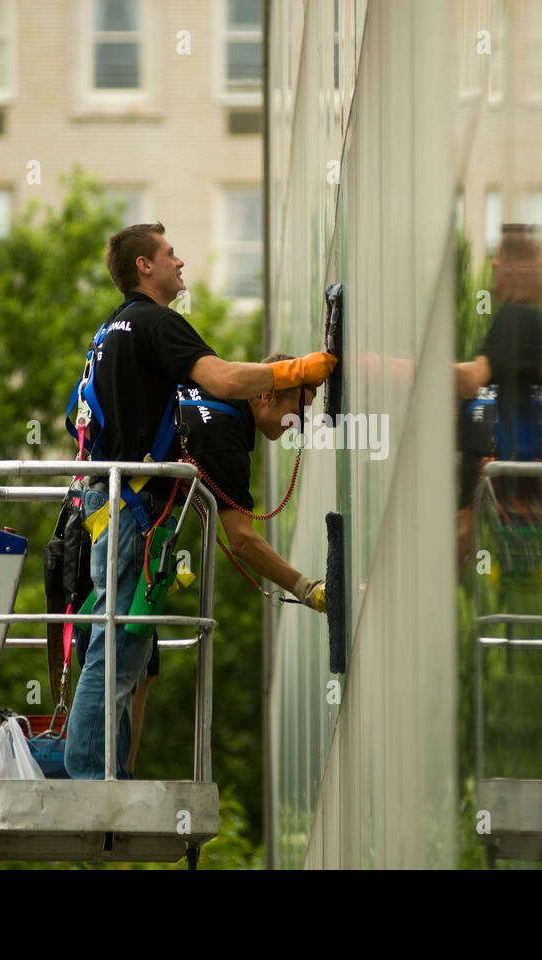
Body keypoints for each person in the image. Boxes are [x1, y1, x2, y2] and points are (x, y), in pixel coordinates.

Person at [63, 222, 336, 780]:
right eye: (169, 254)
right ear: (144, 266)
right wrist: (308, 589)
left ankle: (104, 771)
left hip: (104, 503)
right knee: (117, 652)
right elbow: (225, 380)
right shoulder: (160, 326)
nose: (179, 261)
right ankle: (88, 778)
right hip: (130, 514)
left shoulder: (109, 330)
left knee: (122, 649)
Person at [126, 361, 326, 772]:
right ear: (267, 395)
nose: (297, 426)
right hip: (129, 531)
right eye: (297, 413)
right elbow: (242, 541)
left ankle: (114, 778)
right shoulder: (225, 439)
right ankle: (107, 786)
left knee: (138, 665)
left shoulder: (210, 390)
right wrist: (308, 589)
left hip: (107, 514)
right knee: (126, 662)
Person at [454, 225, 542, 565]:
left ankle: (463, 526)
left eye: (497, 257)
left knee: (471, 409)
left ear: (513, 264)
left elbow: (472, 379)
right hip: (529, 480)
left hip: (519, 472)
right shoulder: (534, 323)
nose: (493, 265)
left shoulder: (515, 317)